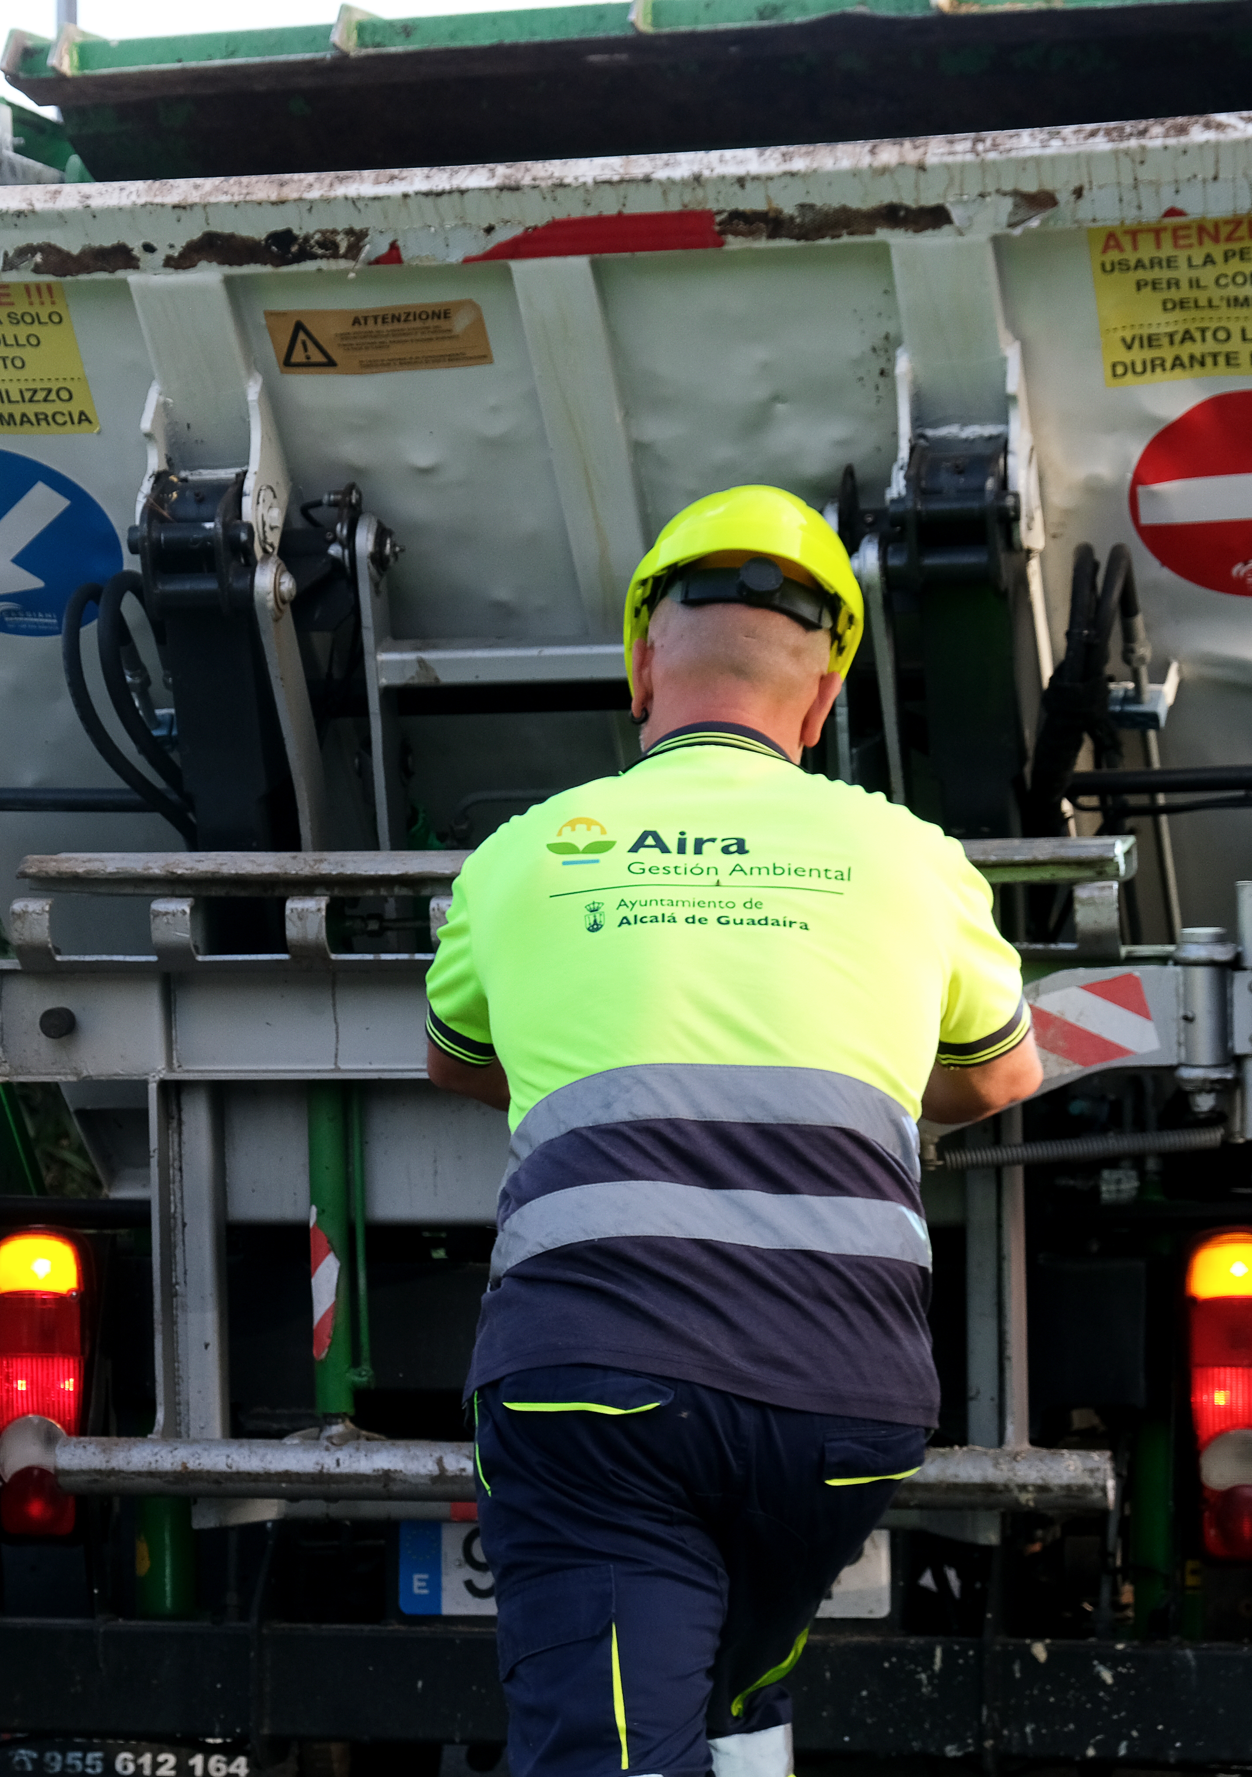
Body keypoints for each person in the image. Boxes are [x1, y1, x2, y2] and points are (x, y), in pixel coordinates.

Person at [423, 485, 1042, 1777]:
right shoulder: (911, 855)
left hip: (595, 1378)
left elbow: (459, 1062)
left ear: (641, 665)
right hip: (841, 1404)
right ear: (818, 706)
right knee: (730, 1696)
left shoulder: (520, 855)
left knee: (614, 1747)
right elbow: (996, 1077)